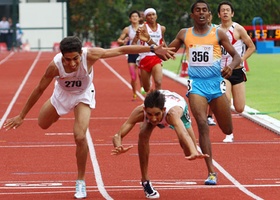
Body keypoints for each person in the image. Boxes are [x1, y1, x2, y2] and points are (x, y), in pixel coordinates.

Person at [2, 36, 175, 199]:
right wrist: (22, 115)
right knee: (43, 123)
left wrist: (152, 48)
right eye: (67, 59)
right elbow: (39, 89)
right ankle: (58, 111)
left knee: (79, 135)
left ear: (81, 53)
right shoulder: (55, 66)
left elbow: (122, 50)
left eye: (75, 58)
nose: (72, 63)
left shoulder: (91, 55)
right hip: (61, 94)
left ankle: (80, 181)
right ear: (62, 57)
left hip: (83, 96)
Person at [135, 0, 241, 185]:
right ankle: (211, 172)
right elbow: (166, 54)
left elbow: (236, 56)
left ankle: (213, 162)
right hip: (196, 85)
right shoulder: (185, 33)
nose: (201, 13)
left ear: (208, 15)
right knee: (201, 123)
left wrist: (231, 67)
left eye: (204, 10)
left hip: (216, 84)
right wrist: (150, 42)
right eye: (197, 10)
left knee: (227, 129)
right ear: (192, 15)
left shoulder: (218, 33)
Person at [112, 89, 209, 199]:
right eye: (149, 114)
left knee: (187, 149)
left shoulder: (172, 114)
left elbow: (183, 133)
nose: (153, 118)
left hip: (178, 107)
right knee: (143, 133)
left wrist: (193, 151)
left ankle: (191, 148)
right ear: (144, 109)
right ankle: (145, 181)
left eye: (157, 114)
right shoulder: (140, 111)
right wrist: (118, 145)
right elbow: (117, 135)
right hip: (161, 100)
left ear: (163, 110)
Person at [218, 1, 256, 142]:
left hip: (238, 72)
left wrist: (242, 59)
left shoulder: (238, 29)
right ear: (219, 14)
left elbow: (251, 47)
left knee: (239, 108)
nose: (226, 12)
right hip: (223, 72)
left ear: (232, 13)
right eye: (223, 10)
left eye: (228, 10)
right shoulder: (215, 30)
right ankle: (229, 133)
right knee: (226, 100)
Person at [132, 8, 167, 94]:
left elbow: (162, 40)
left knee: (158, 83)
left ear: (156, 16)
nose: (151, 17)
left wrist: (167, 50)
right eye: (149, 15)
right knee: (146, 88)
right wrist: (138, 48)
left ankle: (158, 103)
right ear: (145, 17)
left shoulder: (161, 28)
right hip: (144, 58)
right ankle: (148, 82)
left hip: (156, 57)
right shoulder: (142, 28)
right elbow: (133, 43)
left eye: (153, 14)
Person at [117, 10, 142, 100]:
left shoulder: (143, 28)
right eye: (133, 16)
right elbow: (119, 40)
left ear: (140, 18)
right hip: (131, 54)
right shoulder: (127, 29)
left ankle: (144, 90)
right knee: (133, 76)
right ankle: (134, 93)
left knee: (141, 74)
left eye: (136, 16)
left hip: (141, 54)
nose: (135, 18)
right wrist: (123, 41)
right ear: (130, 19)